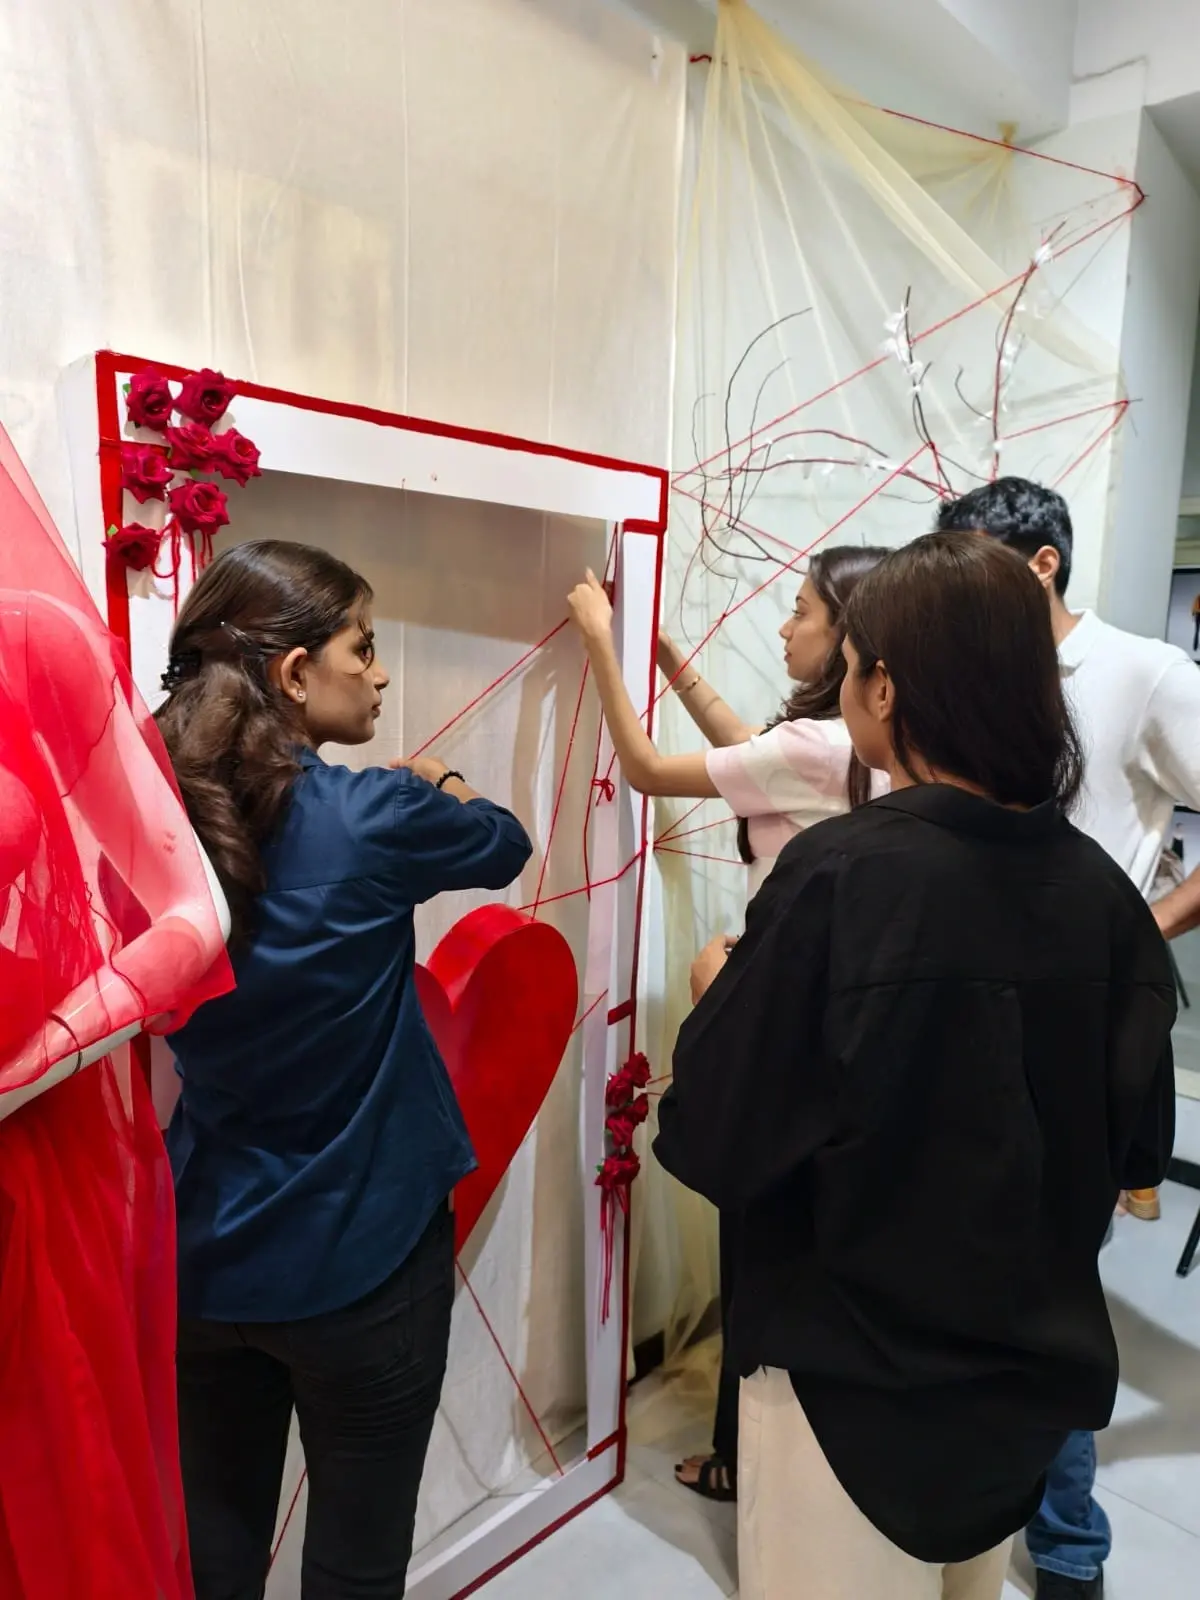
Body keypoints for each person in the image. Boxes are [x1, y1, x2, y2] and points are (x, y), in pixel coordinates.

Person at [654, 532, 1176, 1600]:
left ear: (884, 687)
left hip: (849, 1387)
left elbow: (715, 1135)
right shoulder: (1106, 899)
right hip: (1022, 1385)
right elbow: (1136, 1151)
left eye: (850, 663)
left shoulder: (841, 877)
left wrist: (717, 994)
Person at [155, 541, 533, 1599]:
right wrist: (439, 778)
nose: (379, 673)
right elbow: (503, 842)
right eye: (362, 648)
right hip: (362, 1258)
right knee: (355, 1566)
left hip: (206, 1251)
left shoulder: (153, 814)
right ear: (293, 673)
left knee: (215, 1555)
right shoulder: (374, 815)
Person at [567, 544, 888, 1502]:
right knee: (785, 1239)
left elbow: (645, 768)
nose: (784, 627)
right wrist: (669, 660)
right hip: (833, 1021)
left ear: (846, 638)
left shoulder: (815, 749)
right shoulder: (853, 748)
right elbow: (750, 751)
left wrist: (599, 642)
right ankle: (761, 1453)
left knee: (755, 1243)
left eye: (802, 611)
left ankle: (744, 1458)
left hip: (774, 1017)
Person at [937, 477, 1200, 1598]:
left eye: (975, 565)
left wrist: (1141, 927)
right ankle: (965, 1510)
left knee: (1051, 1290)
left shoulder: (1145, 671)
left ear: (1042, 562)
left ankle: (1066, 1546)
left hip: (1081, 1029)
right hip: (965, 1014)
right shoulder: (976, 673)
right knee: (968, 1271)